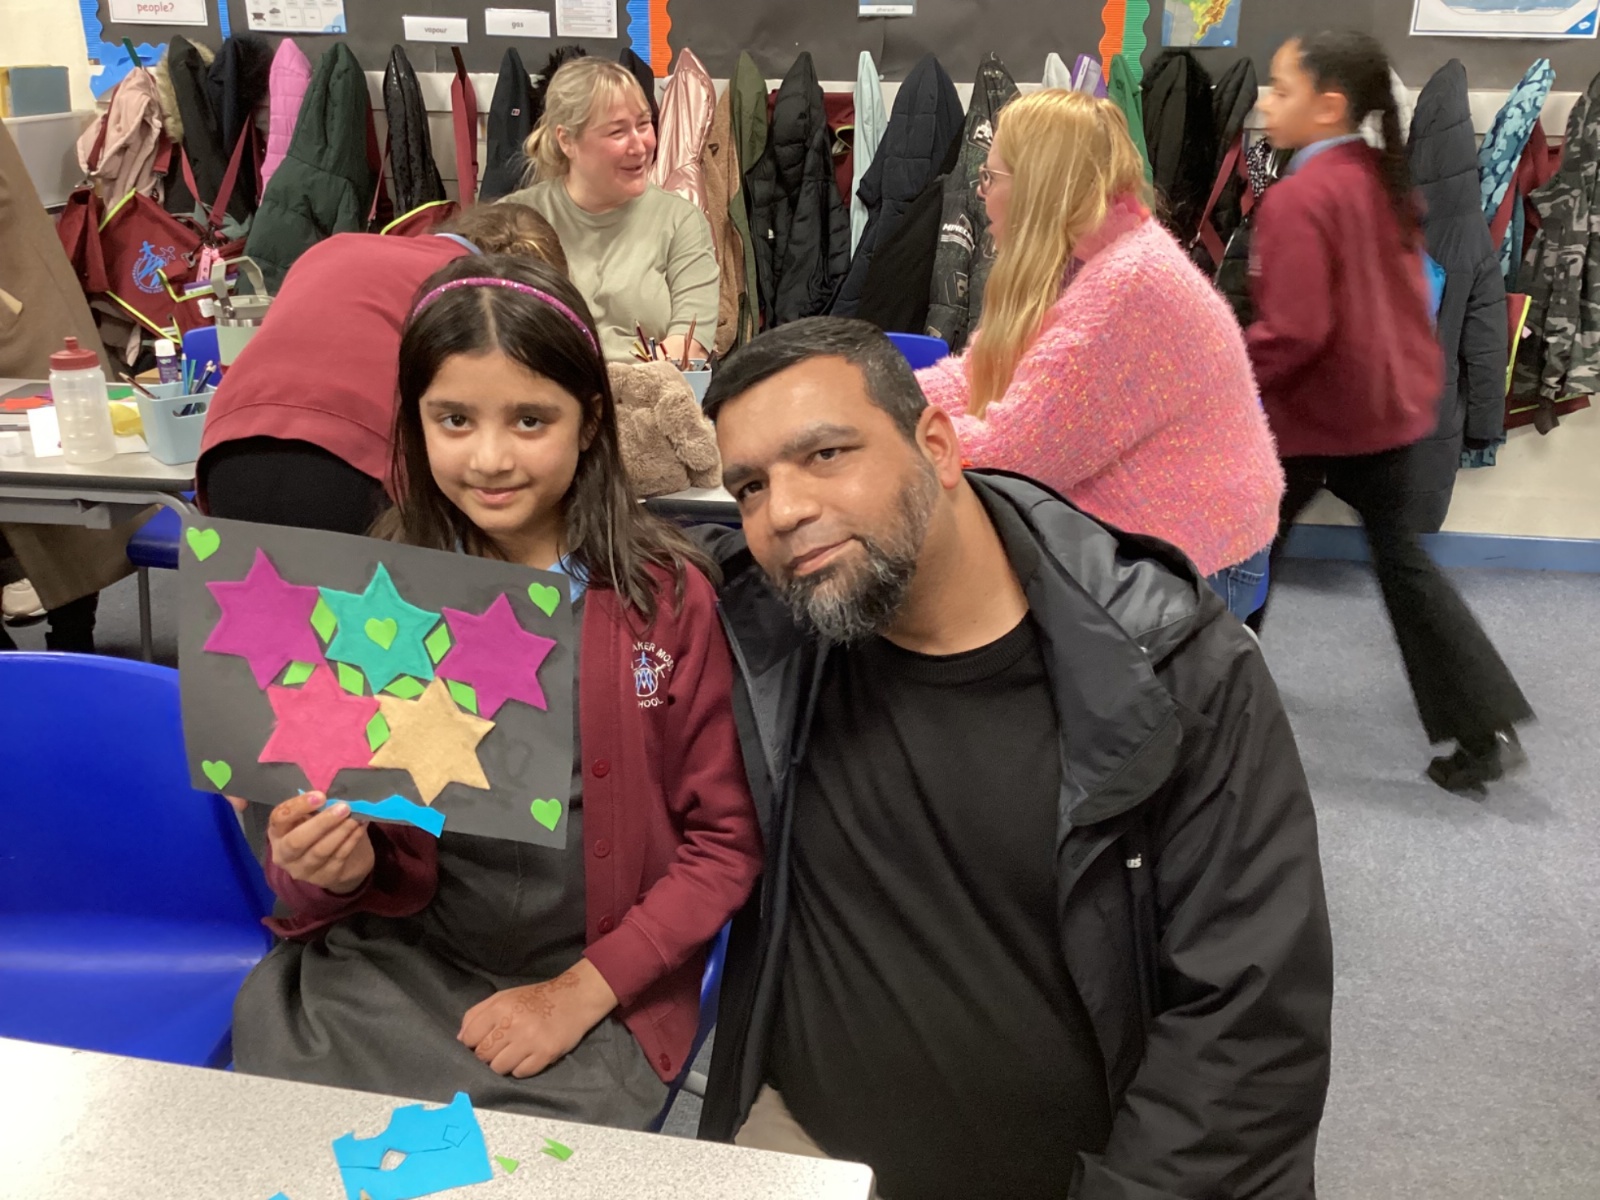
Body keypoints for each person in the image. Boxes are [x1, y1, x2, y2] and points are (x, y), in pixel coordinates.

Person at [695, 317, 1333, 1199]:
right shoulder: (777, 627)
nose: (785, 512)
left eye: (827, 454)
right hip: (807, 1149)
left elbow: (1248, 1037)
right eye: (751, 487)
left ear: (938, 446)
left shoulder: (1174, 674)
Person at [230, 256, 763, 1127]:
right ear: (414, 423)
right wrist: (332, 869)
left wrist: (581, 992)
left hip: (593, 976)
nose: (489, 458)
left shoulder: (662, 601)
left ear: (589, 422)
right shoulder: (380, 592)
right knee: (299, 1112)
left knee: (525, 1156)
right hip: (400, 959)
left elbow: (725, 843)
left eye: (530, 419)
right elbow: (327, 837)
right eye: (453, 419)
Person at [1250, 30, 1533, 792]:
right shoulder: (1380, 177)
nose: (1266, 102)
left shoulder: (1300, 197)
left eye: (1282, 89)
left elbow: (1296, 331)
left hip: (1319, 418)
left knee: (1242, 551)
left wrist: (1227, 367)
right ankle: (1483, 729)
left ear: (1328, 105)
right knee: (1401, 567)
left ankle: (1215, 698)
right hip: (1390, 413)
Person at [916, 89, 1283, 621]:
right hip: (1168, 541)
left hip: (1199, 559)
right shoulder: (1085, 256)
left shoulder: (1127, 287)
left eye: (991, 176)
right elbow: (977, 376)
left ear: (1037, 187)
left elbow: (1014, 454)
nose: (980, 191)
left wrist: (888, 426)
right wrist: (881, 391)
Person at [198, 204, 567, 533]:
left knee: (260, 585)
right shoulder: (478, 288)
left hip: (228, 446)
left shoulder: (335, 247)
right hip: (356, 460)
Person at [500, 58, 717, 364]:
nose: (640, 146)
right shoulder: (515, 219)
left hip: (650, 388)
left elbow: (691, 344)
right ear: (567, 140)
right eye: (617, 132)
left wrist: (622, 379)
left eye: (644, 124)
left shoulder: (681, 220)